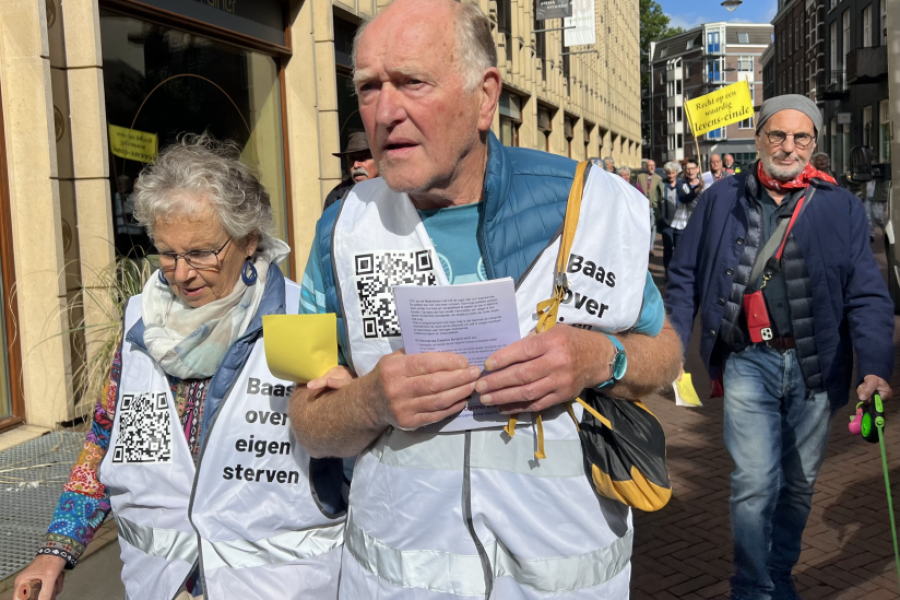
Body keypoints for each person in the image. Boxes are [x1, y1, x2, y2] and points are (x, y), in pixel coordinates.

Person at [289, 0, 683, 597]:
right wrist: (370, 401)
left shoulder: (589, 205)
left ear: (485, 96)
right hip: (399, 581)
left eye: (412, 82)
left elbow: (668, 354)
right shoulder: (335, 229)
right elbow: (304, 421)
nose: (385, 111)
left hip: (562, 579)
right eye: (368, 87)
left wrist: (598, 359)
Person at [14, 135, 346, 600]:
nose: (182, 273)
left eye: (202, 253)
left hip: (280, 587)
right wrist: (57, 549)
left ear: (248, 240)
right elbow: (106, 441)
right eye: (168, 254)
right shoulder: (140, 325)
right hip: (161, 586)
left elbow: (352, 458)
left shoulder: (304, 320)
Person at [665, 95, 894, 600]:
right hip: (748, 358)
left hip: (817, 365)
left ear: (813, 143)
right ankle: (752, 586)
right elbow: (683, 277)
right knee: (753, 481)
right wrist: (671, 343)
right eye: (777, 135)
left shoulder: (841, 207)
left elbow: (868, 295)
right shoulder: (720, 198)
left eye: (800, 137)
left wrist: (876, 364)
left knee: (798, 484)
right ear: (760, 137)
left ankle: (780, 572)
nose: (788, 147)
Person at [658, 160, 701, 278]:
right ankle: (672, 273)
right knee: (675, 249)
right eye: (688, 169)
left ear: (698, 169)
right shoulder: (681, 183)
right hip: (677, 223)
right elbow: (683, 198)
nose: (690, 171)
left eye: (693, 168)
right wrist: (698, 189)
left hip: (697, 223)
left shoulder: (705, 184)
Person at [323, 131, 380, 209]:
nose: (355, 165)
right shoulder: (337, 197)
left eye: (362, 158)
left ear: (379, 160)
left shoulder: (395, 191)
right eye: (351, 159)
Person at [638, 159, 663, 254]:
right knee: (644, 227)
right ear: (646, 167)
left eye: (653, 165)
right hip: (642, 207)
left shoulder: (658, 178)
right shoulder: (640, 177)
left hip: (653, 206)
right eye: (650, 165)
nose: (652, 167)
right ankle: (644, 246)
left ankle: (650, 247)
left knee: (653, 227)